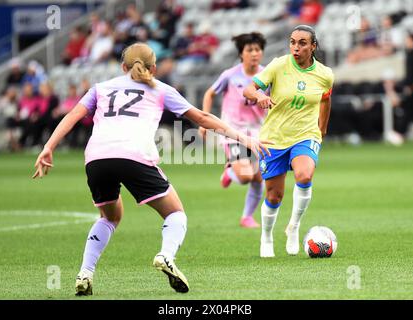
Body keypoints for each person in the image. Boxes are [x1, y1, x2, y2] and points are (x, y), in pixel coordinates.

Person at [32, 43, 270, 295]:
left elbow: (71, 116)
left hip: (96, 159)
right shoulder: (161, 89)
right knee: (175, 213)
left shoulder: (100, 88)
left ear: (123, 67)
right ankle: (166, 256)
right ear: (154, 68)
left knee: (110, 217)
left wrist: (48, 147)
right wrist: (245, 139)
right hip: (133, 156)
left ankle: (85, 273)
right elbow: (203, 118)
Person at [243, 25, 334, 257]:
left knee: (304, 175)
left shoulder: (325, 74)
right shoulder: (278, 65)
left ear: (313, 46)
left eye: (302, 43)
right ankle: (266, 236)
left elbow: (325, 99)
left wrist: (321, 129)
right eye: (293, 42)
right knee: (274, 196)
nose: (296, 47)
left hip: (306, 135)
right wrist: (260, 95)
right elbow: (248, 89)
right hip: (273, 138)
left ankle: (293, 226)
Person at [199, 32, 267, 228]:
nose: (254, 53)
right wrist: (205, 120)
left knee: (259, 177)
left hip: (257, 133)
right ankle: (230, 172)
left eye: (258, 49)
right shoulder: (230, 75)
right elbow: (209, 93)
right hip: (232, 132)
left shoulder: (266, 75)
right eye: (250, 50)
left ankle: (247, 217)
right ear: (241, 54)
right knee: (246, 176)